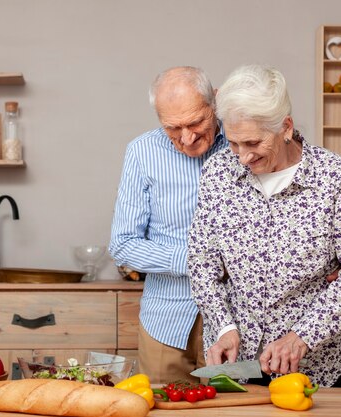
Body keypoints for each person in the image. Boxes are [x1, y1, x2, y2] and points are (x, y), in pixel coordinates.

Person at [187, 64, 341, 387]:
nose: (242, 158)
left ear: (286, 127)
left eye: (252, 143)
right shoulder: (217, 173)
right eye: (234, 143)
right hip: (239, 369)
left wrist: (302, 336)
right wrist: (223, 327)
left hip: (314, 368)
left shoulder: (332, 176)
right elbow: (202, 261)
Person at [109, 66, 229, 383]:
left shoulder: (244, 143)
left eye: (195, 123)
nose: (187, 138)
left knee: (233, 411)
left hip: (237, 320)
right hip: (166, 319)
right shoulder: (141, 152)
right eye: (173, 127)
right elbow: (122, 245)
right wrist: (194, 261)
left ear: (215, 102)